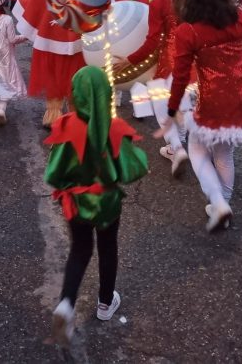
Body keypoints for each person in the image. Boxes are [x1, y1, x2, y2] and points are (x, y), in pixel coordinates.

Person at [164, 0, 242, 231]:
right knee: (225, 152)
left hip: (213, 95)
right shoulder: (238, 18)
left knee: (197, 149)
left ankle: (219, 202)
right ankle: (222, 202)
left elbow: (180, 75)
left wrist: (172, 106)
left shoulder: (187, 30)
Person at [45, 67, 148, 347]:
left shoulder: (66, 126)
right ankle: (105, 303)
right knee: (107, 247)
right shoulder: (114, 128)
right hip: (107, 203)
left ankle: (66, 304)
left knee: (79, 250)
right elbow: (135, 168)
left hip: (76, 203)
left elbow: (53, 174)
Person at [15, 0, 90, 128]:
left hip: (50, 32)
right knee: (78, 72)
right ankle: (76, 112)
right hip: (78, 34)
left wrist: (31, 27)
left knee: (53, 73)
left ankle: (53, 112)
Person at [119, 0, 189, 169]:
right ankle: (180, 143)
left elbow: (152, 40)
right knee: (183, 102)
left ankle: (176, 147)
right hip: (194, 56)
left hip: (170, 58)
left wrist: (129, 60)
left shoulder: (159, 2)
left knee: (161, 105)